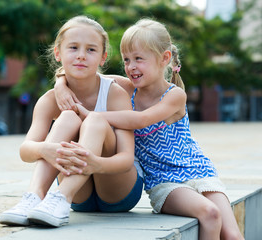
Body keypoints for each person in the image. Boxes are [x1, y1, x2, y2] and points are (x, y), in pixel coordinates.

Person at [55, 19, 243, 239]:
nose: (131, 67)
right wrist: (60, 84)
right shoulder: (126, 88)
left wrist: (93, 115)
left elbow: (142, 119)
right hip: (164, 181)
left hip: (200, 171)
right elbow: (83, 74)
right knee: (210, 214)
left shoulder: (175, 95)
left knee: (233, 234)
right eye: (127, 59)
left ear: (164, 58)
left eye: (139, 59)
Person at [0, 15, 143, 228]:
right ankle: (34, 196)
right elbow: (25, 149)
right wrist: (46, 149)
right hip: (80, 199)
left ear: (103, 58)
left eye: (91, 50)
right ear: (58, 53)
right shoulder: (49, 100)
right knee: (67, 117)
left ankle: (61, 197)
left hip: (119, 191)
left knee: (94, 120)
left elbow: (125, 158)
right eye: (73, 47)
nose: (81, 56)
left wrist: (97, 164)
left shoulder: (114, 93)